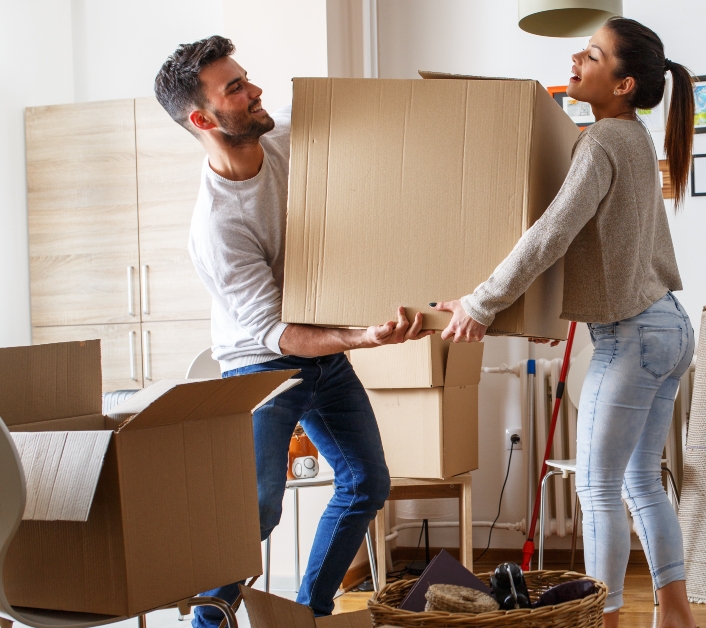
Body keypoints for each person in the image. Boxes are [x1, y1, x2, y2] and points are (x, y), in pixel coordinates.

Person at [154, 36, 428, 626]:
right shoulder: (218, 227)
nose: (255, 92)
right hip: (261, 366)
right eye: (235, 88)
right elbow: (278, 335)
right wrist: (362, 337)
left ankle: (309, 613)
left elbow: (358, 110)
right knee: (256, 509)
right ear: (204, 118)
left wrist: (434, 104)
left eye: (246, 78)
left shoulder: (280, 135)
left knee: (366, 482)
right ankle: (209, 623)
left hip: (321, 354)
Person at [434, 17, 698, 628]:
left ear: (624, 82)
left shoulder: (603, 140)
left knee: (599, 488)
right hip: (667, 328)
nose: (577, 59)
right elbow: (600, 247)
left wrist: (480, 303)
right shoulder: (631, 138)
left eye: (594, 55)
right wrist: (549, 312)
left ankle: (603, 621)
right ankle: (677, 614)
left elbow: (551, 234)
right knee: (641, 481)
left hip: (631, 337)